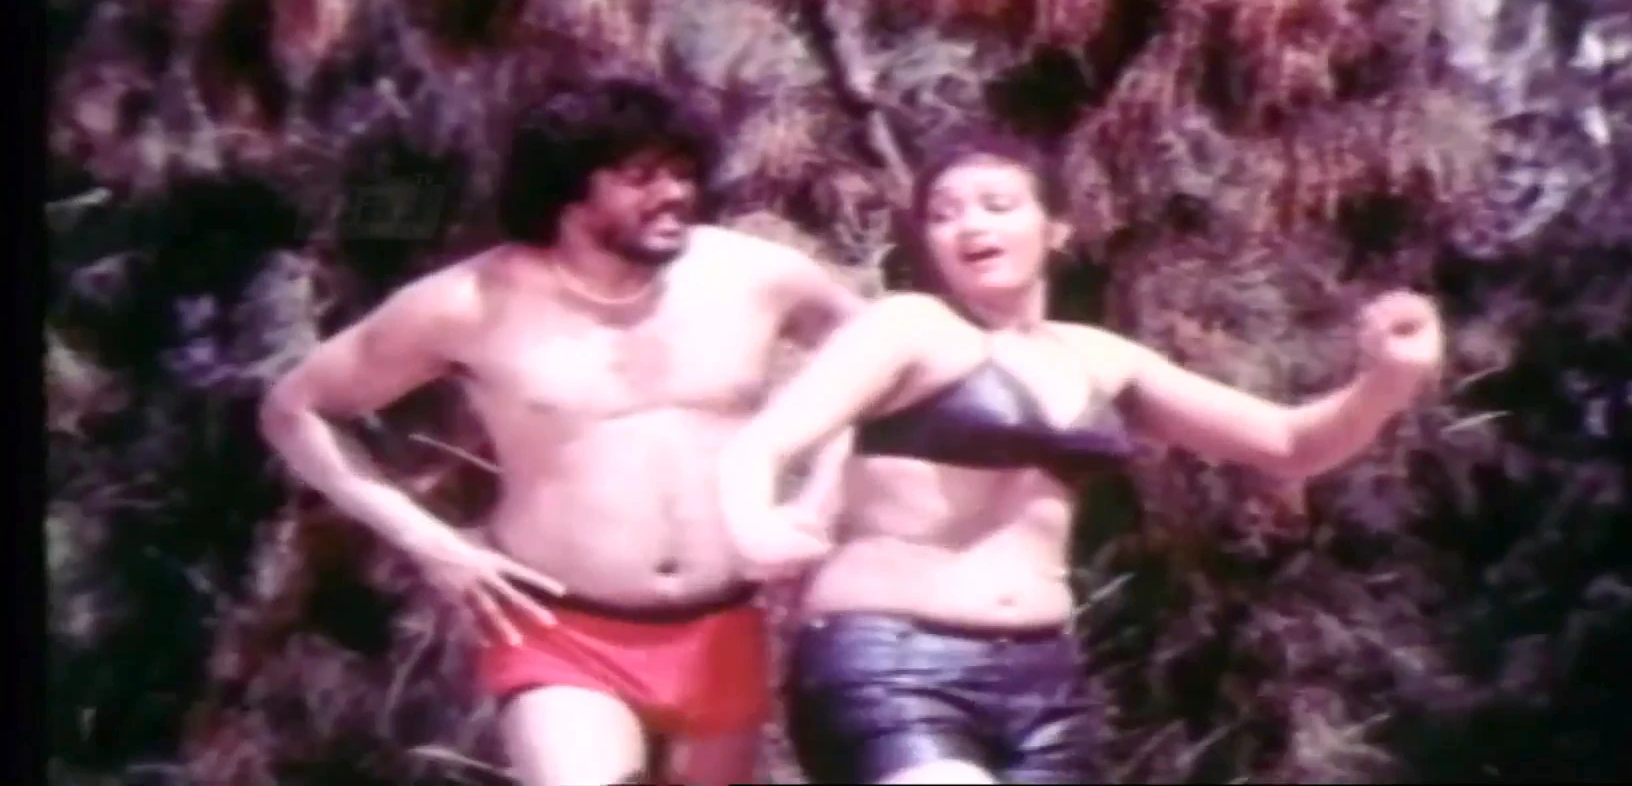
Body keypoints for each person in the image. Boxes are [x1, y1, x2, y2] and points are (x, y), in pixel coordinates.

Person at [716, 131, 1446, 785]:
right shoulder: (908, 327)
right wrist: (753, 522)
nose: (971, 225)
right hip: (893, 663)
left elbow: (1289, 445)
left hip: (1045, 681)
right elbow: (764, 440)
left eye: (998, 205)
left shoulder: (1102, 358)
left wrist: (1388, 380)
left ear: (1056, 228)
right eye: (944, 214)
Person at [259, 77, 866, 786]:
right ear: (569, 188)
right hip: (560, 628)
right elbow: (295, 410)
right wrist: (430, 542)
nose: (674, 194)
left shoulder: (754, 274)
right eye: (641, 176)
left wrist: (819, 503)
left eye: (683, 172)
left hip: (725, 624)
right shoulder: (467, 302)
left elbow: (890, 364)